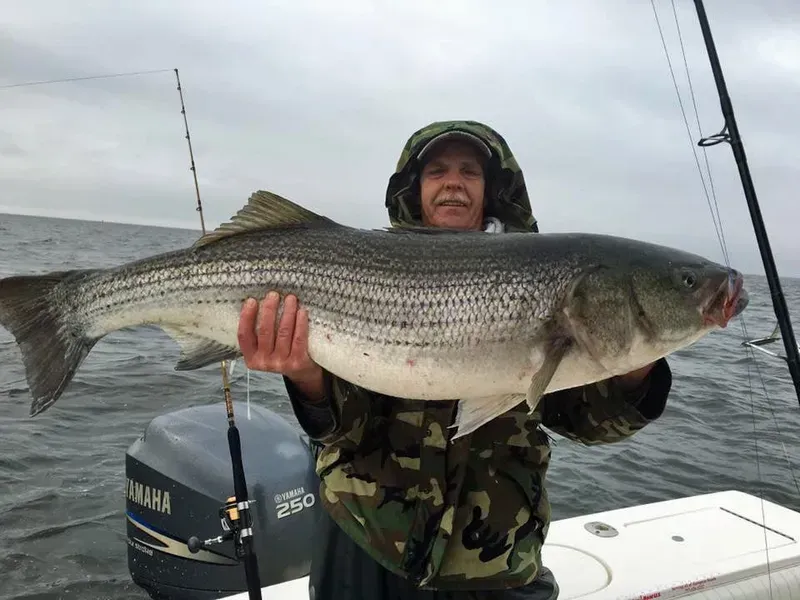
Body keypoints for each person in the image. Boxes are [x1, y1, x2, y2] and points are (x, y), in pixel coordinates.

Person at [237, 120, 673, 599]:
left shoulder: (545, 270)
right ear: (415, 186)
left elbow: (586, 424)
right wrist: (304, 376)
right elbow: (343, 429)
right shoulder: (368, 263)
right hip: (364, 539)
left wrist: (635, 367)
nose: (453, 182)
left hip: (493, 556)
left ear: (492, 188)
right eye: (437, 170)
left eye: (470, 171)